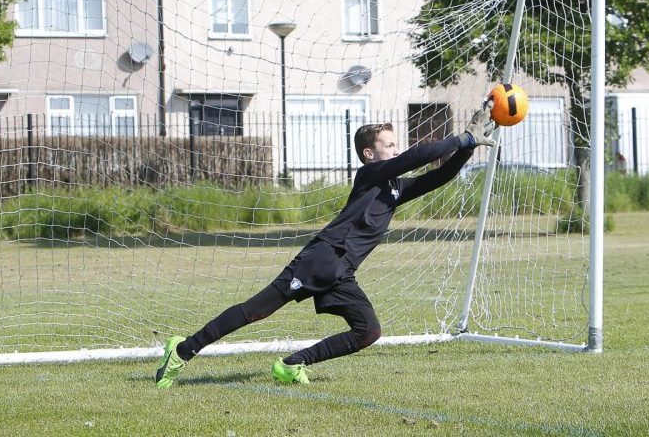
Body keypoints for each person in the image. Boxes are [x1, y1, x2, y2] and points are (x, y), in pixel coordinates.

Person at [155, 106, 498, 387]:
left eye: (396, 145)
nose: (396, 149)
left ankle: (292, 364)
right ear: (370, 153)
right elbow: (419, 156)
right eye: (389, 145)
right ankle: (183, 351)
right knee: (256, 311)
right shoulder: (370, 176)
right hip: (321, 259)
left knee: (368, 331)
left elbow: (438, 176)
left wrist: (467, 148)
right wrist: (461, 137)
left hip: (342, 269)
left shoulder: (395, 188)